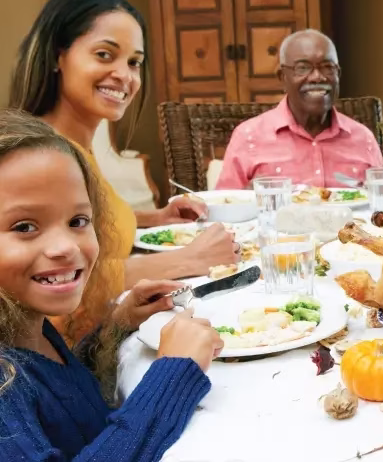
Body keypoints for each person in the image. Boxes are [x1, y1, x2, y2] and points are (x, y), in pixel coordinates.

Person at [8, 0, 239, 341]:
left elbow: (87, 222)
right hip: (72, 353)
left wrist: (153, 218)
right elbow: (64, 271)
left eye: (134, 62)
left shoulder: (76, 148)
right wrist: (190, 258)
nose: (125, 75)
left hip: (109, 328)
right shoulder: (46, 158)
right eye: (104, 55)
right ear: (58, 56)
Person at [0, 109, 223, 461]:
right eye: (24, 226)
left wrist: (117, 326)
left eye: (77, 220)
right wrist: (174, 373)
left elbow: (67, 404)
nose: (66, 247)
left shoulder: (30, 328)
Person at [215, 29, 383, 190]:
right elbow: (226, 205)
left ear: (338, 75)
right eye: (302, 68)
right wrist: (248, 198)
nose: (317, 76)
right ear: (282, 78)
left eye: (327, 67)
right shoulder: (248, 137)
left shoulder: (363, 139)